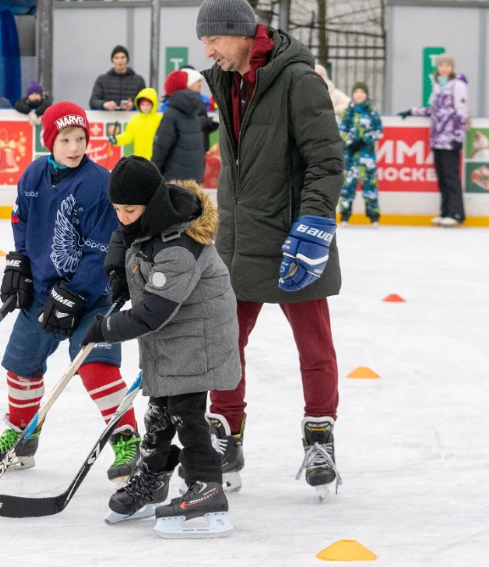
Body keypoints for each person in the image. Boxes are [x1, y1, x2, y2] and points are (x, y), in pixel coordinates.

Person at [197, 0, 344, 499]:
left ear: (240, 34)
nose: (208, 50)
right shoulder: (227, 80)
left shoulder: (298, 80)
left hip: (291, 237)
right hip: (238, 238)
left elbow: (326, 160)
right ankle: (226, 436)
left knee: (313, 346)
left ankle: (320, 438)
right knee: (224, 342)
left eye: (213, 40)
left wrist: (315, 223)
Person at [0, 101, 141, 485]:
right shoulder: (34, 174)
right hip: (43, 289)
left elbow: (102, 245)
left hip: (93, 294)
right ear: (49, 140)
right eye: (65, 139)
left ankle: (127, 439)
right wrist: (20, 260)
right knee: (21, 363)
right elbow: (20, 217)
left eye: (80, 138)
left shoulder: (98, 182)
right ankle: (23, 434)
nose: (74, 147)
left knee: (95, 367)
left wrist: (78, 292)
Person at [83, 156, 241, 537]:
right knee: (158, 409)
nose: (122, 217)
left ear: (151, 204)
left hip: (197, 337)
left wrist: (104, 328)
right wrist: (117, 270)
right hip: (174, 334)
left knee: (185, 411)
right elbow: (125, 237)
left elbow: (152, 314)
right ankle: (153, 478)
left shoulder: (180, 246)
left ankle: (207, 487)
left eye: (129, 209)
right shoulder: (146, 218)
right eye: (116, 209)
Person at [399, 54, 468, 227]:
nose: (444, 68)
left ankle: (457, 213)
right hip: (437, 139)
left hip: (450, 139)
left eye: (447, 65)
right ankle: (445, 212)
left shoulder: (457, 85)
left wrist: (458, 136)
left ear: (452, 68)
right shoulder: (438, 85)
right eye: (441, 65)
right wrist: (412, 111)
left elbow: (461, 112)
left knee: (451, 177)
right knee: (442, 177)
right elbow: (434, 110)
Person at [339, 82, 383, 226]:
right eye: (356, 91)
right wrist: (350, 142)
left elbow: (379, 130)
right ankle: (345, 214)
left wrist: (365, 140)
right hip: (350, 155)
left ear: (366, 94)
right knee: (347, 185)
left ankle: (373, 216)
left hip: (366, 156)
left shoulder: (371, 111)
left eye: (362, 92)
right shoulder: (348, 111)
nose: (359, 94)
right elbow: (341, 130)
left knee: (369, 184)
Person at [151, 70, 206, 185]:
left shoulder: (171, 114)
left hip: (174, 178)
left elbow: (161, 148)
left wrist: (152, 173)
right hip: (195, 178)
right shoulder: (194, 113)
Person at [108, 88, 162, 160]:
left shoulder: (160, 118)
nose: (145, 107)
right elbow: (128, 136)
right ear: (139, 105)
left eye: (148, 105)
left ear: (153, 105)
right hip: (139, 158)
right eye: (143, 104)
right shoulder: (135, 119)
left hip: (155, 158)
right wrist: (116, 139)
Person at [89, 45, 147, 111]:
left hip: (132, 118)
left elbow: (145, 100)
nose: (120, 60)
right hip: (107, 118)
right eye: (116, 58)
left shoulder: (138, 80)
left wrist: (133, 104)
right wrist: (104, 104)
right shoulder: (102, 80)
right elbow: (93, 101)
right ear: (112, 60)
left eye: (122, 57)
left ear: (127, 59)